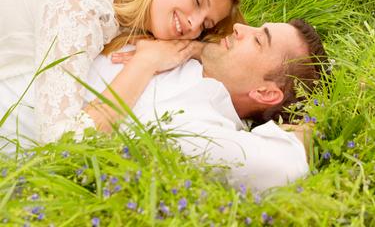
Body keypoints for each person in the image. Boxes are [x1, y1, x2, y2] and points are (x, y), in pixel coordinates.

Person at [1, 19, 327, 191]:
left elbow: (286, 165)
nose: (241, 28)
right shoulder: (189, 36)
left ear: (265, 93)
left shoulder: (198, 123)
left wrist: (308, 126)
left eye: (259, 39)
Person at [0, 0, 243, 143]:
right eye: (198, 1)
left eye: (205, 26)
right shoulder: (80, 2)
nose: (193, 24)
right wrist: (145, 64)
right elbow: (59, 142)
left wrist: (194, 49)